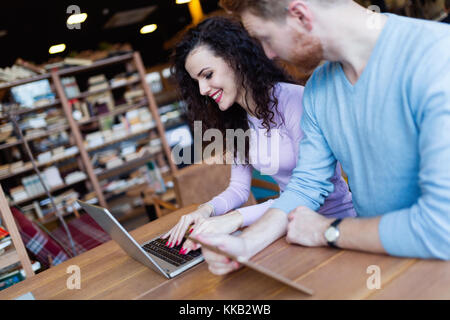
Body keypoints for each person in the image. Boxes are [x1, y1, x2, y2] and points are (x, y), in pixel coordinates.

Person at [194, 0, 450, 275]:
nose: (267, 54)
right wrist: (246, 245)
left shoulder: (437, 57)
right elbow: (306, 185)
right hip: (379, 261)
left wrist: (327, 231)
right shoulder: (318, 89)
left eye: (266, 38)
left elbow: (441, 227)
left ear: (300, 15)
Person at [161, 16, 355, 255]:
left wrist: (236, 218)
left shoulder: (294, 100)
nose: (202, 90)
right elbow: (239, 189)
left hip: (335, 226)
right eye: (196, 82)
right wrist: (205, 210)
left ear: (235, 60)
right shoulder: (236, 119)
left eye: (208, 75)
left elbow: (313, 190)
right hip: (289, 229)